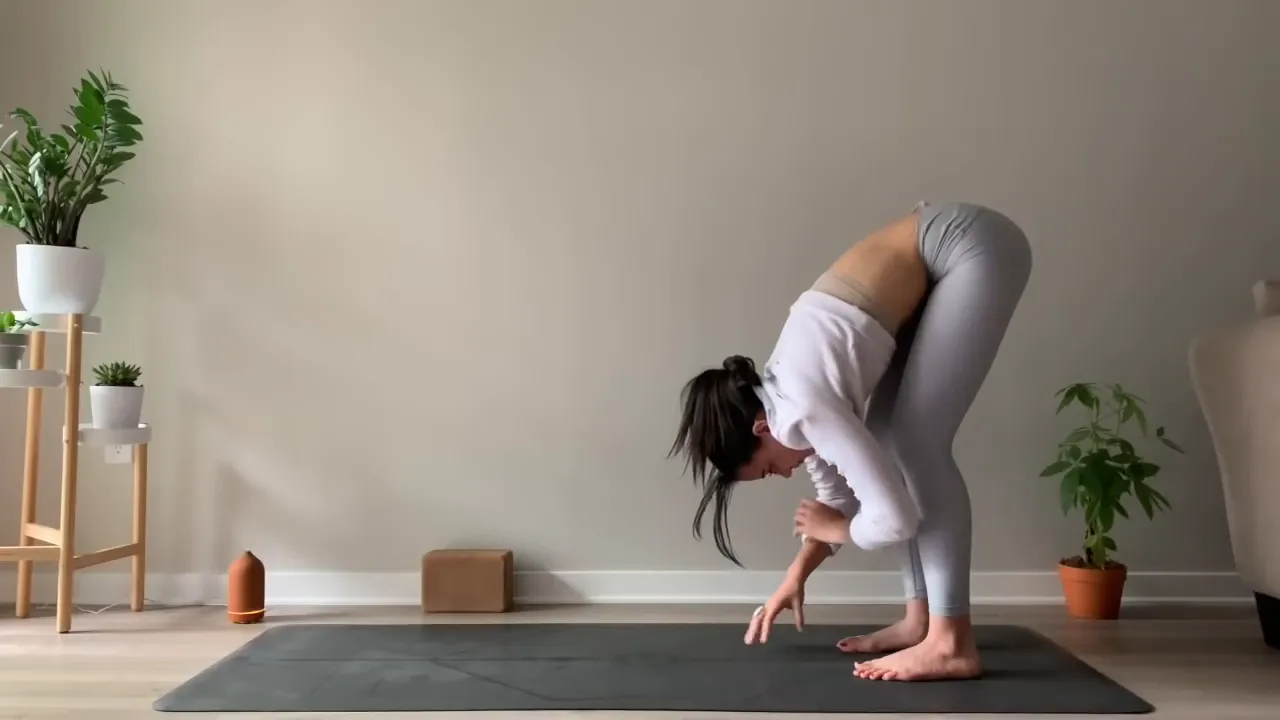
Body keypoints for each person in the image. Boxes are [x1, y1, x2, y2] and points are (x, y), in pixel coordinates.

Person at [669, 201, 1032, 682]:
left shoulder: (801, 409)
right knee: (889, 442)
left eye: (769, 469)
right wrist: (796, 574)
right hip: (941, 257)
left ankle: (950, 644)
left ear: (761, 430)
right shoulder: (783, 402)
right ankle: (920, 621)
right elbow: (840, 496)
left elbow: (894, 519)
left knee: (917, 444)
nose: (785, 474)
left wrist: (841, 531)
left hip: (967, 244)